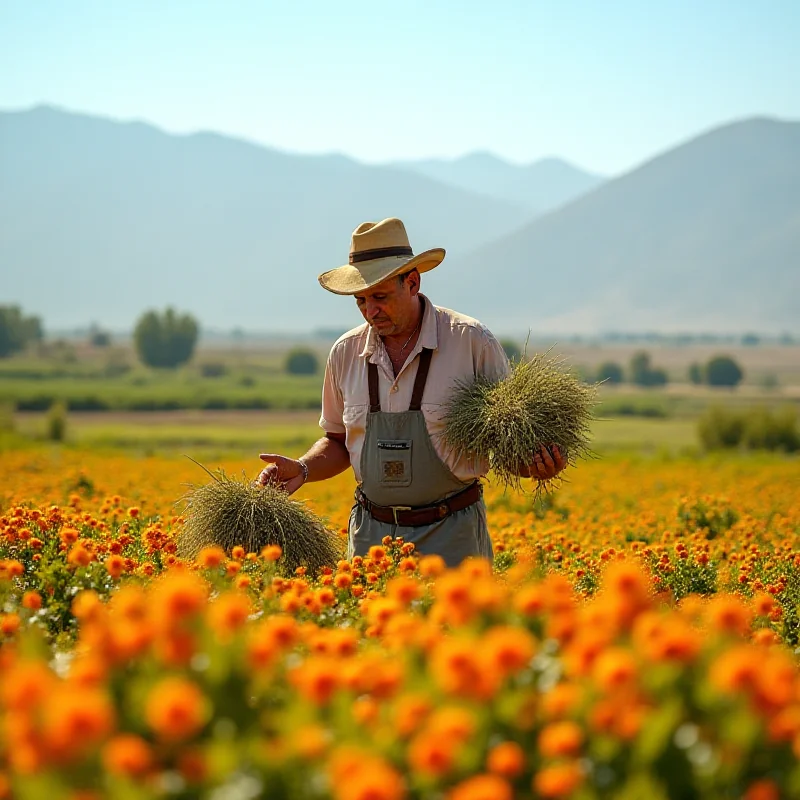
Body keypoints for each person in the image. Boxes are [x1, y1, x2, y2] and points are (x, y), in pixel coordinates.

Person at [258, 217, 566, 566]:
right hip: (370, 540)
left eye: (381, 297)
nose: (370, 311)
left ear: (413, 282)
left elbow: (511, 444)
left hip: (453, 538)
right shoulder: (344, 353)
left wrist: (537, 466)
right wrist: (302, 468)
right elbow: (338, 441)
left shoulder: (470, 342)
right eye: (360, 300)